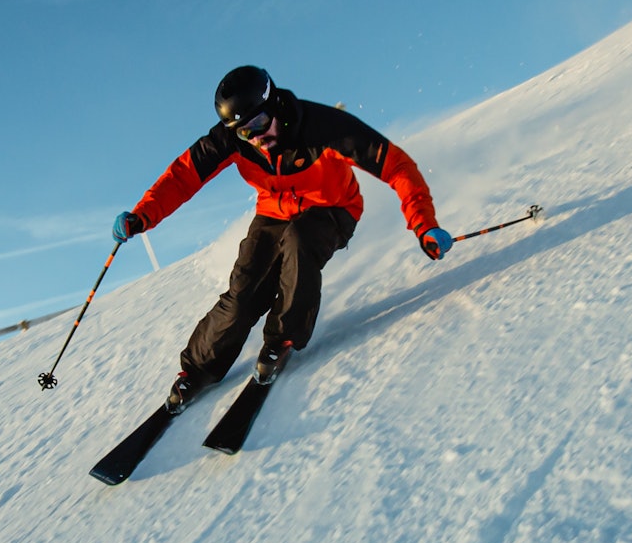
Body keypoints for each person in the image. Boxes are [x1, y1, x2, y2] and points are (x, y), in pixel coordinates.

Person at [112, 65, 452, 412]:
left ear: (273, 104)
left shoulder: (324, 127)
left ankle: (282, 338)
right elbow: (183, 175)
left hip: (333, 208)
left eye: (258, 125)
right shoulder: (231, 138)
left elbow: (396, 165)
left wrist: (423, 224)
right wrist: (143, 215)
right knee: (244, 290)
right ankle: (198, 369)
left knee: (300, 243)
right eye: (244, 133)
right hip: (274, 211)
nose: (255, 138)